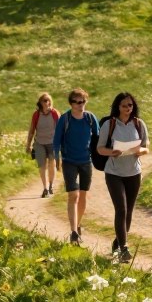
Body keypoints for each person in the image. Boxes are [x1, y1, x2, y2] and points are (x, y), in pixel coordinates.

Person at [96, 91, 149, 263]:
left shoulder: (139, 124)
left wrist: (139, 151)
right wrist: (113, 152)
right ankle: (124, 248)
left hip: (134, 173)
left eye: (131, 105)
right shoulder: (109, 125)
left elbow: (146, 147)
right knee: (121, 209)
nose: (128, 108)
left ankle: (118, 243)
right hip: (114, 173)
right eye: (125, 105)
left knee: (129, 211)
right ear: (117, 107)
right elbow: (100, 148)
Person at [52, 88, 99, 245]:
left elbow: (98, 138)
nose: (81, 105)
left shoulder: (90, 118)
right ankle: (73, 231)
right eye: (77, 102)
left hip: (86, 161)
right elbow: (57, 140)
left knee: (83, 195)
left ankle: (78, 225)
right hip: (69, 161)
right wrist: (56, 159)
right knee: (74, 195)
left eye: (83, 101)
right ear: (71, 103)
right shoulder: (64, 119)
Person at [26, 92, 59, 198]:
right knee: (42, 165)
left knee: (52, 164)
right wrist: (28, 144)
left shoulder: (55, 113)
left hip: (52, 143)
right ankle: (45, 188)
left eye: (49, 100)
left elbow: (61, 130)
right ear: (40, 102)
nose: (47, 102)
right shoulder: (36, 115)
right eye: (45, 100)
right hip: (39, 143)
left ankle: (51, 186)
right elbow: (31, 130)